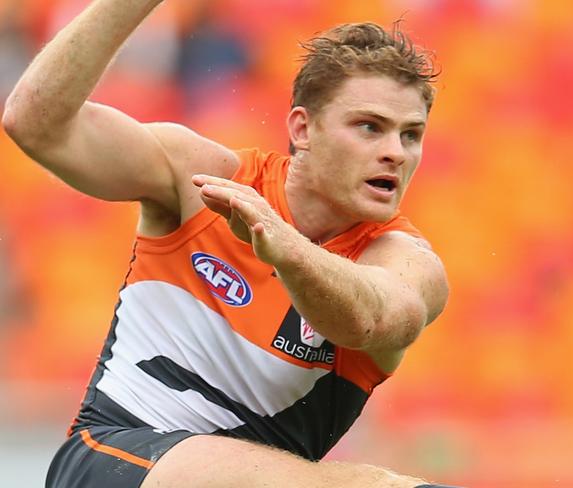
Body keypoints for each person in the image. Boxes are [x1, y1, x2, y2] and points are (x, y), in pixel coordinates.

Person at [2, 1, 451, 487]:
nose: (394, 152)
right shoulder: (203, 179)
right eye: (369, 126)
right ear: (302, 129)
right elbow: (35, 123)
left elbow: (372, 320)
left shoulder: (408, 263)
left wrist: (283, 247)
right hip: (112, 457)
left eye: (411, 135)